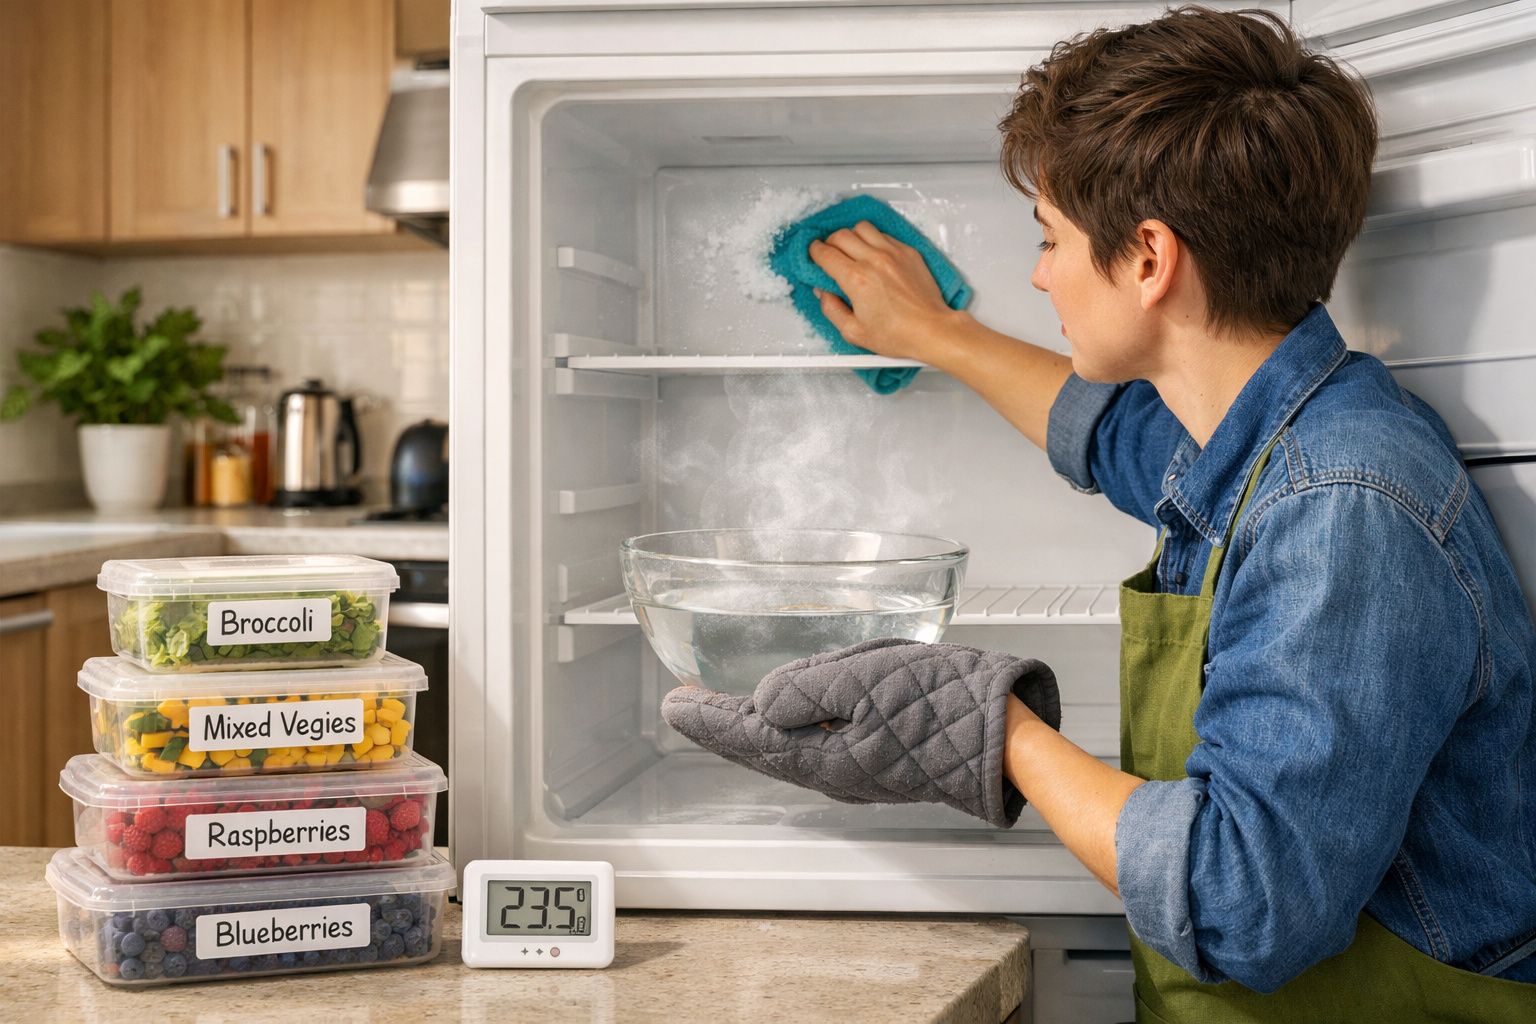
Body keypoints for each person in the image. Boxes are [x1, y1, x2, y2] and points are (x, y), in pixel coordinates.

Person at [667, 5, 1536, 1021]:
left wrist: (993, 735)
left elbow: (1242, 904)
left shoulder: (1340, 506)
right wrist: (938, 335)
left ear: (1149, 259)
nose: (1040, 273)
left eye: (1051, 239)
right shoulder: (1276, 435)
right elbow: (1118, 438)